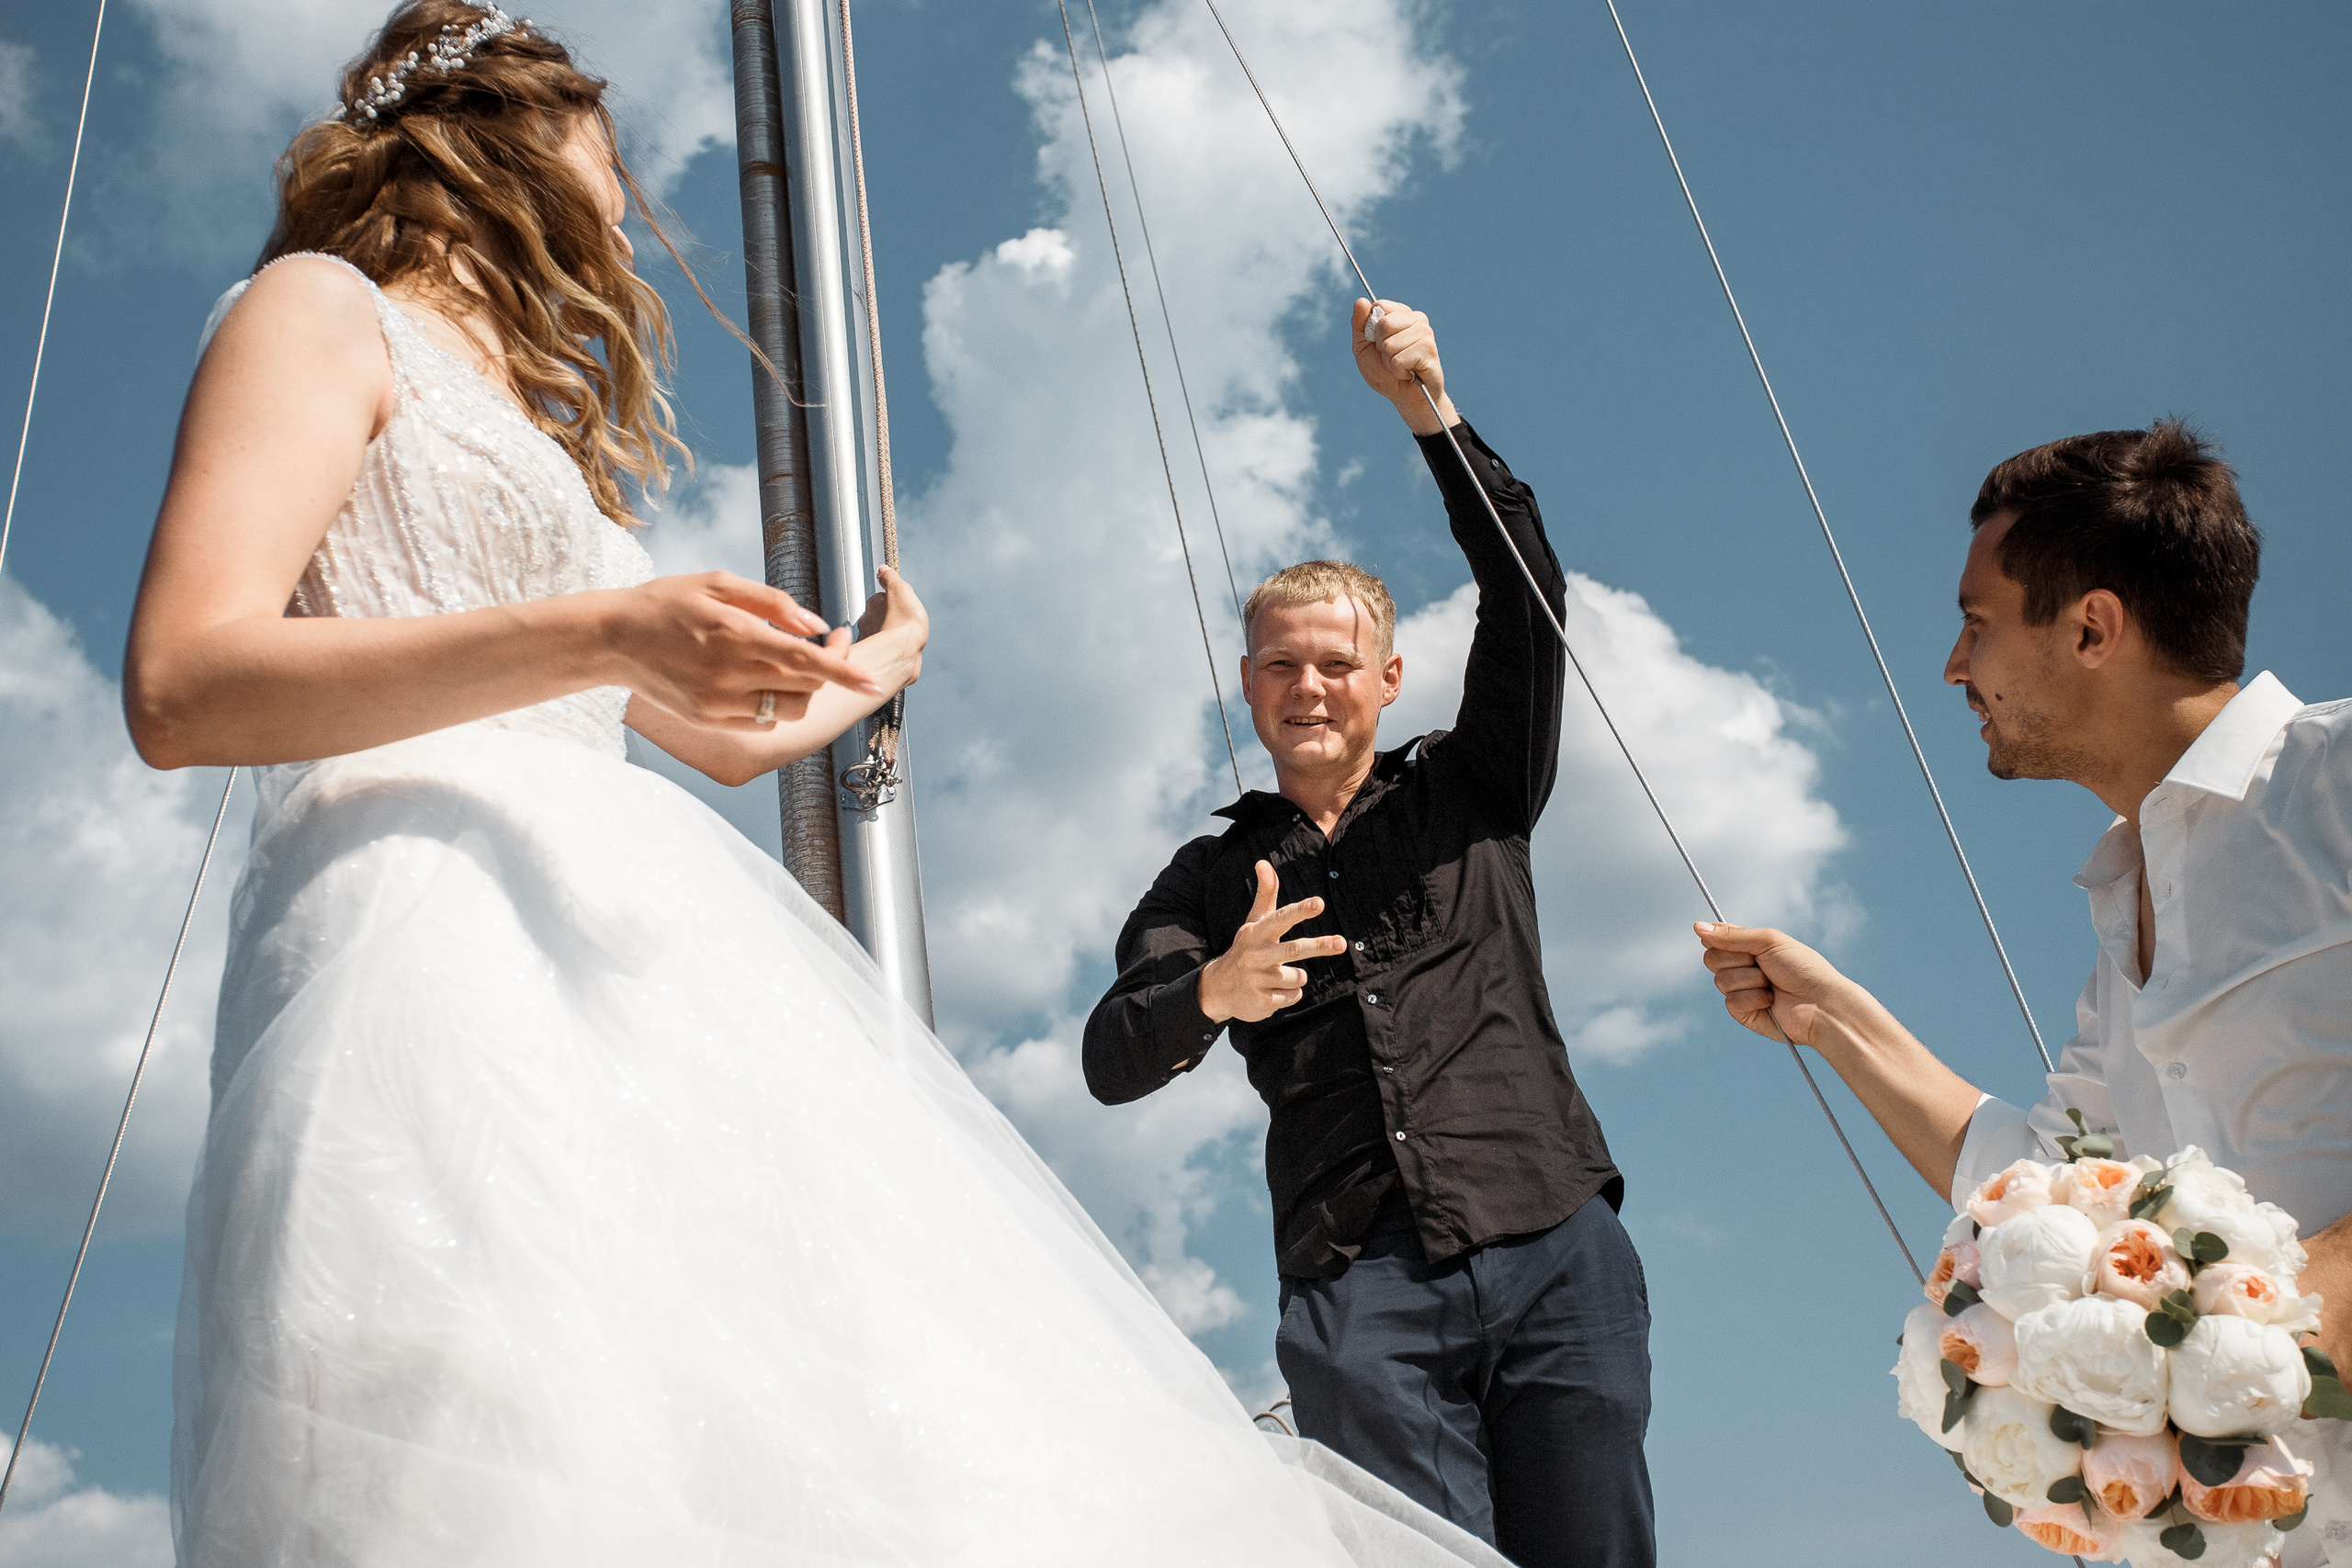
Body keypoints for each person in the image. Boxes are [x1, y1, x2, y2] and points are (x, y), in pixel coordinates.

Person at [128, 5, 1510, 1563]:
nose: (628, 205)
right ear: (506, 140)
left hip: (621, 943)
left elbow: (708, 735)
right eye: (611, 155)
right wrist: (604, 627)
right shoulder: (317, 309)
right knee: (478, 1392)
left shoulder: (526, 426)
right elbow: (182, 681)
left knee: (736, 1408)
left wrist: (864, 672)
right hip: (418, 930)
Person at [1691, 421, 2352, 1562]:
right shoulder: (2122, 902)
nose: (1955, 667)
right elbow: (2040, 1177)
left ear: (2091, 628)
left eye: (1976, 621)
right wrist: (1831, 1019)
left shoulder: (2335, 781)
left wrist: (2302, 1312)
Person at [1084, 300, 1656, 1568]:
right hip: (1357, 1285)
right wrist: (1213, 989)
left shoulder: (1475, 787)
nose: (1309, 687)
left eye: (1337, 665)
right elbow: (1111, 1056)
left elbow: (1528, 595)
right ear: (1249, 683)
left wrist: (1428, 413)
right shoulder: (1207, 877)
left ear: (1387, 680)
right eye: (1281, 665)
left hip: (1549, 1236)